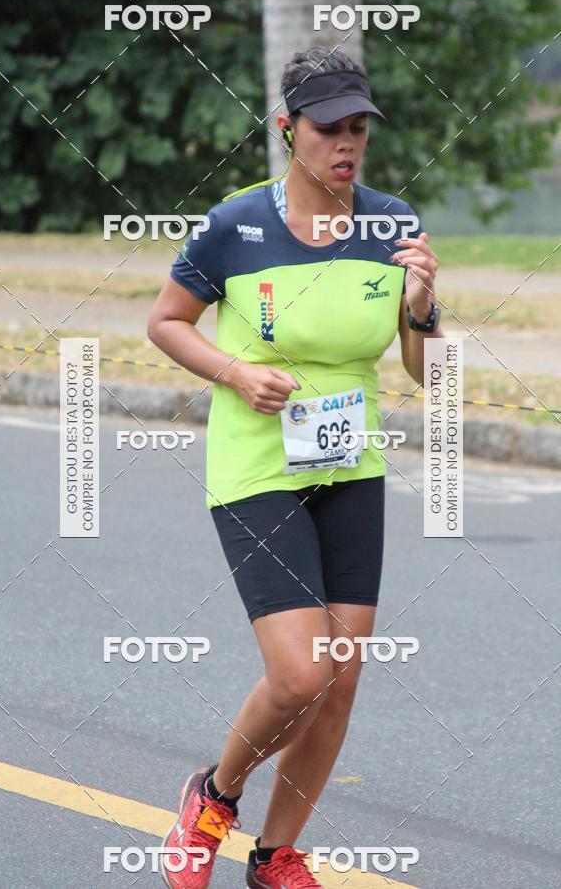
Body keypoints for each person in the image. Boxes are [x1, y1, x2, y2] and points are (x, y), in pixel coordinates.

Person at [147, 46, 443, 889]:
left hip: (350, 466)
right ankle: (212, 795)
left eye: (358, 129)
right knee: (302, 672)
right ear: (287, 132)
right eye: (328, 129)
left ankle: (277, 856)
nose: (346, 145)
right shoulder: (236, 225)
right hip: (257, 464)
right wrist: (235, 372)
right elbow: (165, 323)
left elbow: (430, 374)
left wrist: (423, 309)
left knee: (340, 683)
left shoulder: (393, 226)